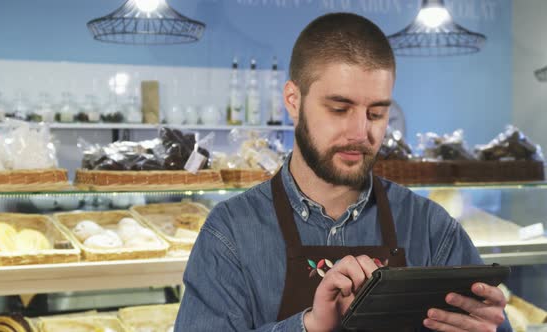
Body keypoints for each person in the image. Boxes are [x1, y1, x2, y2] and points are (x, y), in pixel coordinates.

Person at [175, 12, 511, 332]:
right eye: (339, 109)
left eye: (377, 114)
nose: (360, 132)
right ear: (293, 100)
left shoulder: (433, 230)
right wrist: (309, 325)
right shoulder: (230, 233)